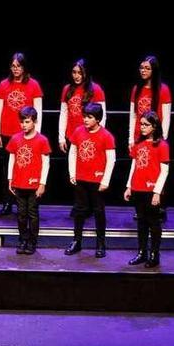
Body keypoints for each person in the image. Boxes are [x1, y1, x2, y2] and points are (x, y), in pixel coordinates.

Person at [0, 52, 43, 215]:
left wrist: (37, 135)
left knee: (28, 168)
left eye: (19, 66)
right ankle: (7, 202)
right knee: (8, 169)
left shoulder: (33, 85)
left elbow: (38, 112)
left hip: (27, 135)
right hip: (8, 134)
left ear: (24, 67)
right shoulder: (3, 84)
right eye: (13, 66)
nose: (16, 69)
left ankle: (29, 204)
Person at [65, 103, 115, 258]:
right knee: (79, 210)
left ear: (98, 119)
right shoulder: (78, 132)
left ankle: (100, 244)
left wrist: (105, 180)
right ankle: (77, 241)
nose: (85, 120)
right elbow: (73, 152)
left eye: (89, 117)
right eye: (84, 116)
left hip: (97, 180)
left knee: (99, 212)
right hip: (81, 178)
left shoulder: (106, 136)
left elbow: (111, 159)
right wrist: (72, 173)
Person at [124, 111, 169, 268]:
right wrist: (129, 186)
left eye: (146, 125)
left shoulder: (162, 145)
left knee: (154, 223)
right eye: (141, 124)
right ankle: (142, 252)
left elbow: (164, 171)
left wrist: (157, 191)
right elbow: (134, 166)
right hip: (138, 188)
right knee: (141, 222)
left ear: (154, 126)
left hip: (152, 190)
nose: (142, 127)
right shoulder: (138, 144)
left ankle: (154, 254)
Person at [7, 106, 51, 255]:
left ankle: (32, 241)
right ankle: (23, 239)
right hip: (19, 182)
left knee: (32, 213)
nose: (24, 125)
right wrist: (10, 179)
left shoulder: (42, 140)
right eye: (22, 122)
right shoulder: (15, 138)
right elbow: (12, 158)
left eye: (27, 122)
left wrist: (42, 183)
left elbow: (46, 163)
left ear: (34, 122)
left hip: (33, 184)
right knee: (21, 214)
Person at [57, 58, 106, 153]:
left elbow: (102, 116)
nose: (76, 76)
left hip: (90, 136)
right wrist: (61, 137)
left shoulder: (96, 89)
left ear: (86, 73)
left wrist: (99, 136)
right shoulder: (67, 89)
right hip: (71, 136)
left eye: (80, 73)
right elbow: (63, 114)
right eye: (74, 72)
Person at [128, 55, 171, 148]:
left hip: (155, 137)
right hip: (138, 136)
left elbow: (166, 117)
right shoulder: (136, 89)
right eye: (141, 68)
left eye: (147, 68)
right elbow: (133, 116)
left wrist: (162, 138)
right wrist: (131, 138)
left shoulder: (163, 90)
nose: (143, 71)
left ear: (154, 71)